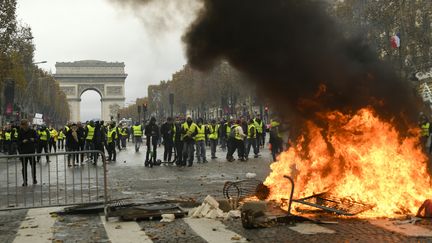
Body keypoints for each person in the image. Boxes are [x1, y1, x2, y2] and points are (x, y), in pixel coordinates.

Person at [17, 119, 38, 186]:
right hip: (23, 152)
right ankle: (25, 181)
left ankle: (34, 179)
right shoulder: (20, 132)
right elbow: (18, 142)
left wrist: (34, 139)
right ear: (22, 126)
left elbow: (37, 138)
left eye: (26, 125)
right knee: (24, 167)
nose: (26, 126)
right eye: (24, 125)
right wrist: (22, 142)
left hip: (31, 151)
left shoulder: (32, 131)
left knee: (33, 166)